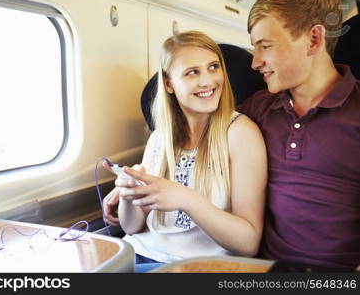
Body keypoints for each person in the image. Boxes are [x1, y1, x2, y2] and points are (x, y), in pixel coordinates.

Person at [103, 31, 267, 272]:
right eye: (193, 72)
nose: (208, 81)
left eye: (213, 67)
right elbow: (131, 227)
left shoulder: (240, 133)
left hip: (193, 267)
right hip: (135, 253)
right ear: (169, 84)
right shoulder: (160, 137)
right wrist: (129, 194)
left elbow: (248, 243)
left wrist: (185, 199)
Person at [237, 0, 360, 271]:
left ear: (314, 39)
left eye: (265, 46)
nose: (255, 63)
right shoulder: (259, 107)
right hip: (265, 270)